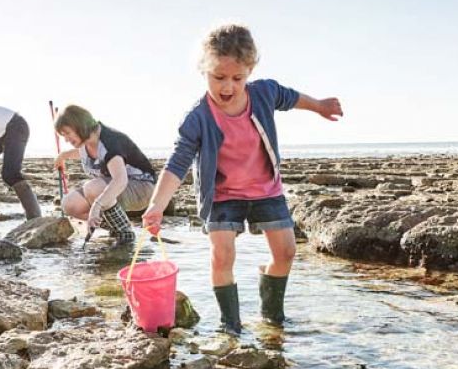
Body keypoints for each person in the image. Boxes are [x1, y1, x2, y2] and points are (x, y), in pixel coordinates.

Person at [142, 24, 343, 334]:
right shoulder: (198, 117)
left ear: (249, 71)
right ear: (203, 71)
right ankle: (230, 324)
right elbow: (177, 163)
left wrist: (319, 106)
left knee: (286, 252)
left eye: (238, 78)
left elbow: (290, 98)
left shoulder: (263, 93)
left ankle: (272, 316)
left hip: (266, 189)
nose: (228, 86)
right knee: (222, 255)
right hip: (222, 195)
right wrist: (157, 205)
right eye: (218, 77)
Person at [53, 105, 156, 246]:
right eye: (63, 136)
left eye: (67, 133)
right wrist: (63, 156)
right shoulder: (87, 141)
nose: (66, 140)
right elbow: (87, 154)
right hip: (117, 190)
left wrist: (97, 206)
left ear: (79, 125)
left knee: (93, 188)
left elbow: (120, 180)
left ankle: (125, 234)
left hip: (142, 188)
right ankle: (117, 227)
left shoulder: (109, 141)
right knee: (69, 204)